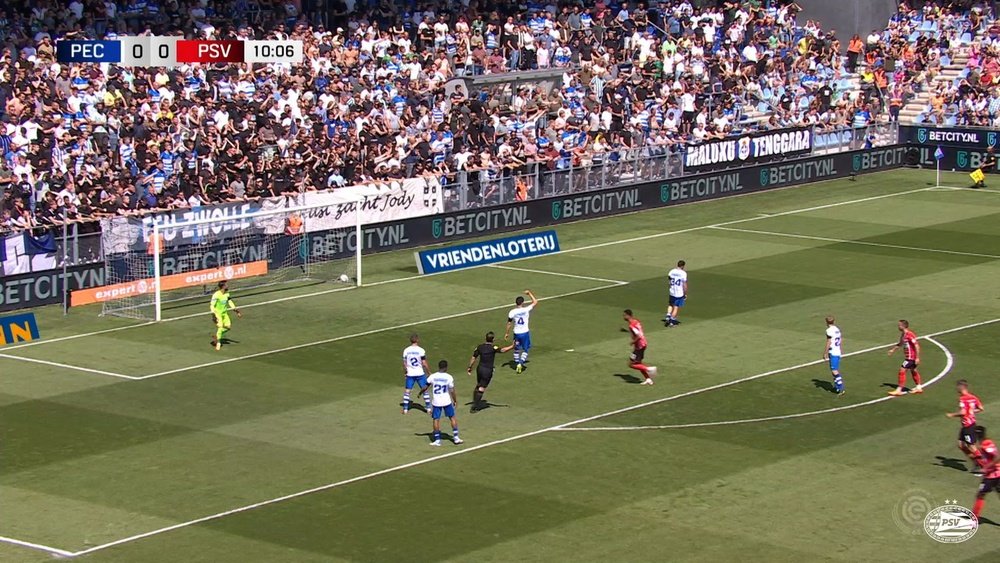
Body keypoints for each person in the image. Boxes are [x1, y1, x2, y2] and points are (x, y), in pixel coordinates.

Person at [467, 331, 515, 412]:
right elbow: (502, 350)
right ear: (493, 339)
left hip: (480, 369)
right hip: (487, 370)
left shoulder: (480, 347)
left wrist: (470, 367)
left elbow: (473, 357)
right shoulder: (493, 348)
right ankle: (475, 407)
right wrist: (512, 346)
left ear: (485, 338)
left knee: (479, 385)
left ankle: (474, 402)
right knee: (482, 387)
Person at [947, 380, 985, 473]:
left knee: (972, 446)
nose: (956, 389)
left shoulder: (962, 399)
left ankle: (984, 466)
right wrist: (971, 411)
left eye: (957, 387)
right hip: (967, 426)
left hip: (968, 426)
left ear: (961, 388)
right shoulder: (973, 397)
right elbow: (981, 408)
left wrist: (952, 415)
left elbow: (962, 412)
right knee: (961, 445)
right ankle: (976, 461)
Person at [428, 360, 463, 446]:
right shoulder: (449, 377)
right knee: (452, 418)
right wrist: (455, 400)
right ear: (446, 367)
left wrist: (420, 392)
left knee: (436, 419)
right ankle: (456, 438)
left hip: (436, 402)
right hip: (446, 401)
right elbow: (452, 390)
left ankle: (437, 440)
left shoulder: (433, 376)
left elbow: (426, 385)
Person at [505, 289, 538, 374]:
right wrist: (529, 293)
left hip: (516, 333)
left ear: (516, 303)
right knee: (526, 349)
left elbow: (509, 323)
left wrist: (507, 333)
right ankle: (520, 363)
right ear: (522, 303)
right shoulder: (526, 309)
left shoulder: (512, 312)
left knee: (516, 348)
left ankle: (516, 364)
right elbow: (535, 302)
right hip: (525, 332)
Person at [887, 319, 922, 395]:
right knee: (913, 371)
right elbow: (900, 343)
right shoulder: (904, 335)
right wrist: (892, 350)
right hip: (911, 357)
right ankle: (919, 387)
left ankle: (899, 390)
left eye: (899, 325)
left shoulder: (909, 334)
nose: (898, 327)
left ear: (903, 326)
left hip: (911, 358)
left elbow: (916, 345)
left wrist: (917, 357)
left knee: (902, 370)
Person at [972, 426, 1000, 520]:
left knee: (981, 494)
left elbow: (997, 457)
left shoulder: (986, 443)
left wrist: (986, 468)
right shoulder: (983, 443)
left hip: (993, 475)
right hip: (994, 474)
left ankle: (975, 518)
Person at [623, 309, 657, 385]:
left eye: (624, 315)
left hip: (639, 346)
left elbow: (638, 335)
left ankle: (649, 369)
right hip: (643, 344)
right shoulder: (636, 321)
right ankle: (648, 379)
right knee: (639, 363)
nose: (623, 317)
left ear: (628, 315)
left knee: (631, 364)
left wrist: (633, 342)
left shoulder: (631, 325)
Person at [401, 333, 433, 414]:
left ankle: (405, 409)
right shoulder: (421, 350)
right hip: (420, 373)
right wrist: (429, 372)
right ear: (417, 340)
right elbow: (424, 363)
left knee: (407, 391)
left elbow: (404, 363)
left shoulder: (406, 350)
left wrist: (405, 372)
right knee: (425, 390)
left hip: (410, 374)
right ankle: (428, 409)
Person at [210, 280, 242, 351]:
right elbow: (212, 305)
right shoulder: (216, 295)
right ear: (223, 286)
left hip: (224, 313)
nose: (228, 286)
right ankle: (218, 342)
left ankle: (217, 336)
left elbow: (230, 302)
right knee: (220, 326)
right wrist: (213, 315)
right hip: (217, 314)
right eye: (226, 285)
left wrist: (236, 311)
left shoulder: (227, 294)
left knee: (228, 327)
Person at [823, 316, 845, 395]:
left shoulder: (829, 330)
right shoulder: (837, 329)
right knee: (834, 370)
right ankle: (836, 387)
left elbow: (829, 342)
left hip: (833, 352)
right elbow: (840, 339)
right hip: (837, 351)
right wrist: (841, 349)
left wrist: (825, 352)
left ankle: (840, 387)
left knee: (834, 370)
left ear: (826, 322)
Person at [664, 260, 688, 327]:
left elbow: (669, 280)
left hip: (672, 291)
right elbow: (684, 285)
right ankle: (671, 321)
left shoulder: (671, 271)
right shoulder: (683, 273)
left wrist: (670, 288)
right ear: (683, 266)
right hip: (679, 293)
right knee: (676, 307)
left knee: (670, 304)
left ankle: (668, 315)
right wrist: (685, 293)